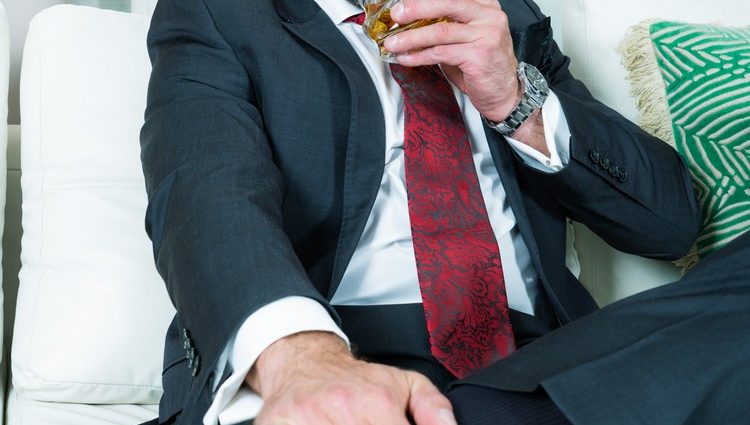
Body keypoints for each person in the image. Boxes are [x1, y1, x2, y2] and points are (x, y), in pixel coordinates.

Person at [139, 0, 750, 424]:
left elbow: (669, 223)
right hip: (342, 363)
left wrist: (516, 97)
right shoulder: (223, 13)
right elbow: (203, 193)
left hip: (545, 371)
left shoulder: (505, 20)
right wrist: (300, 364)